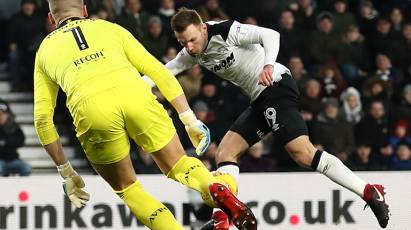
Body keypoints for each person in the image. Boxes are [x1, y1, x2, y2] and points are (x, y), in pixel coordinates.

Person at [151, 8, 389, 229]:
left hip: (275, 86)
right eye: (184, 43)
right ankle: (222, 219)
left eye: (193, 40)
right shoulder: (192, 53)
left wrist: (268, 65)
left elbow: (271, 35)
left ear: (203, 28)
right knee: (225, 153)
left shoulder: (225, 31)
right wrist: (131, 87)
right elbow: (163, 72)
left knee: (303, 154)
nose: (190, 47)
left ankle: (369, 191)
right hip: (260, 98)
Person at [34, 1, 256, 229]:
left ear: (52, 19)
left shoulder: (44, 51)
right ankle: (214, 187)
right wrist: (188, 118)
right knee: (179, 163)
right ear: (85, 11)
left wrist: (67, 172)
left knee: (128, 189)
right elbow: (158, 70)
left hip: (92, 110)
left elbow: (42, 120)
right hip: (134, 94)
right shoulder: (111, 28)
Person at [0, 99, 31, 176]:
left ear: (7, 115)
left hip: (13, 160)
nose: (1, 116)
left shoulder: (13, 127)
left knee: (26, 167)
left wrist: (5, 142)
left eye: (2, 114)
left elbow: (21, 141)